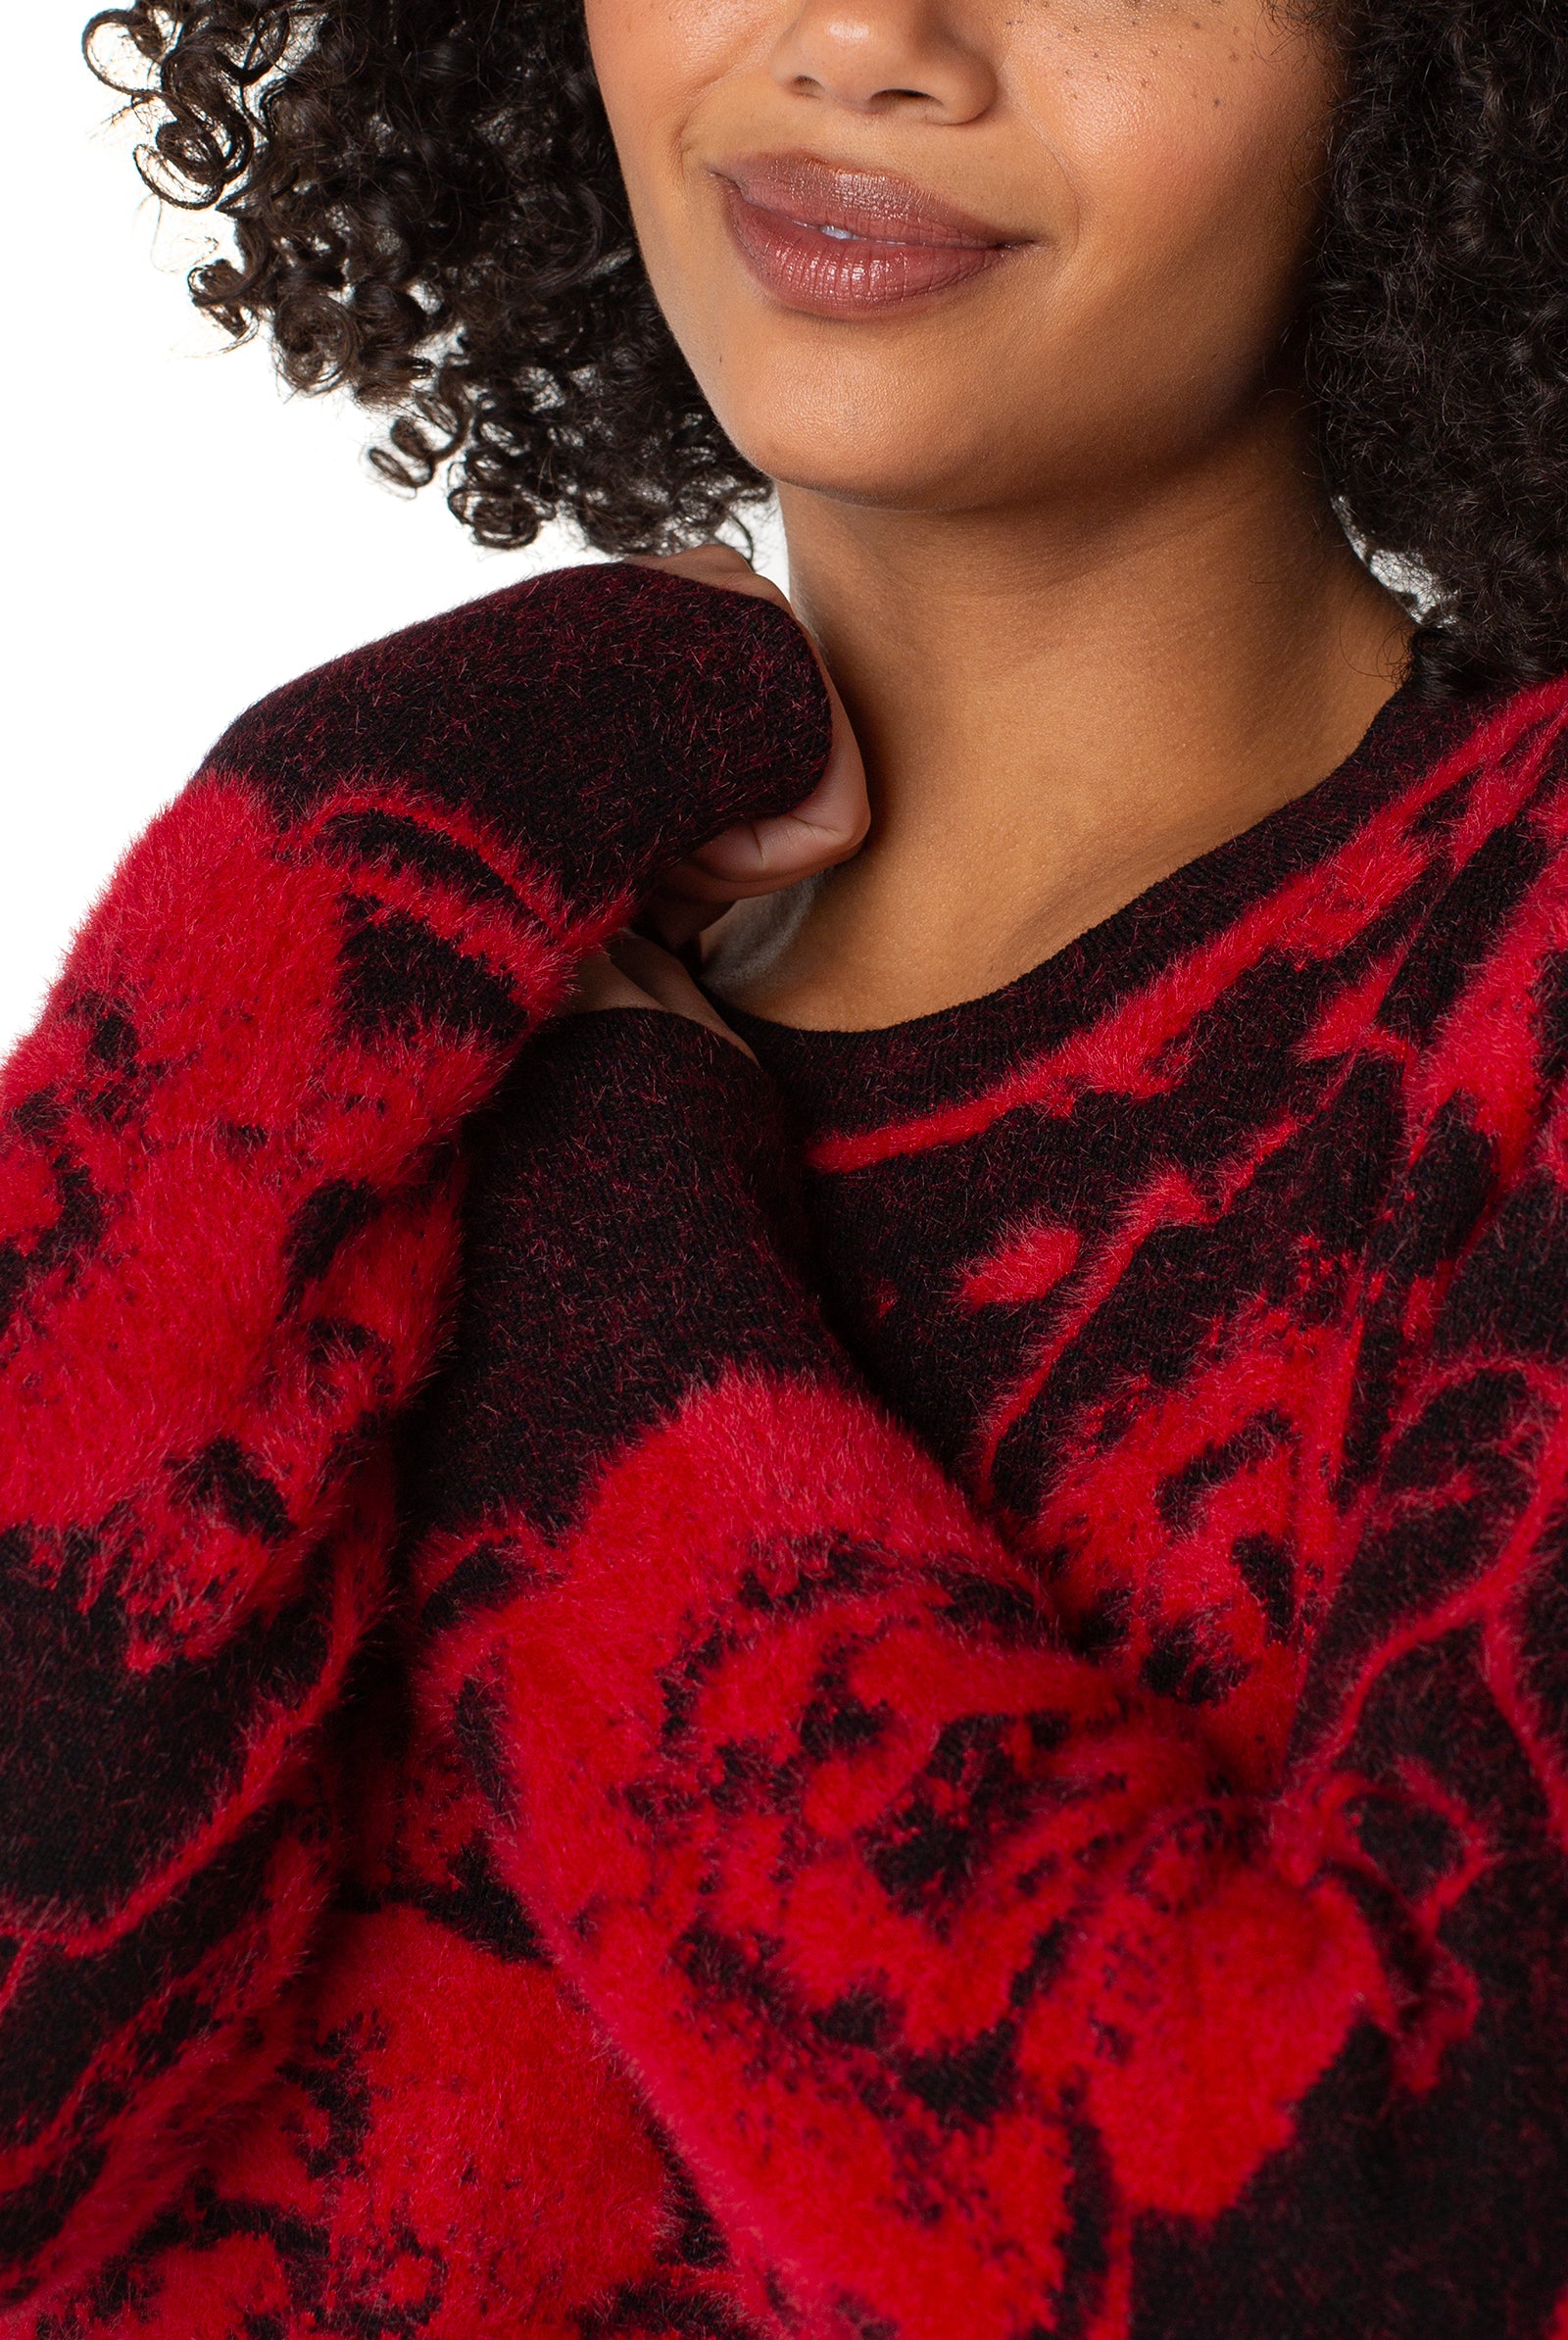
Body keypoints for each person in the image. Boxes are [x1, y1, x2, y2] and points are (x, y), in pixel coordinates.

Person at [2, 0, 1565, 2332]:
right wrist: (323, 874)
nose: (860, 37)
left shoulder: (1502, 973)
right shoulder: (406, 972)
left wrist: (590, 1236)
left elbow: (1358, 2242)